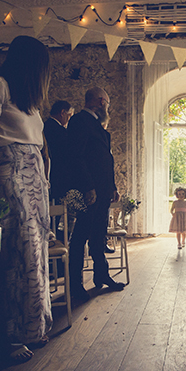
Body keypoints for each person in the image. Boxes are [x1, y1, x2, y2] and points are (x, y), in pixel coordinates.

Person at [0, 36, 53, 363]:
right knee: (16, 254)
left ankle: (31, 327)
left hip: (33, 178)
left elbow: (38, 143)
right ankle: (8, 334)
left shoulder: (28, 101)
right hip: (8, 173)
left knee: (36, 252)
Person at [66, 87, 124, 304]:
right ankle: (75, 285)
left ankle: (101, 274)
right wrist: (88, 187)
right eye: (107, 104)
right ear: (100, 101)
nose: (108, 108)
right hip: (88, 191)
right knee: (80, 237)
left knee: (99, 234)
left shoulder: (97, 126)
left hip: (102, 191)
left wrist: (112, 187)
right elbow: (77, 157)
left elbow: (105, 161)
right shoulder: (80, 121)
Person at [44, 99, 74, 199]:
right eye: (69, 116)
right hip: (59, 175)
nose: (68, 120)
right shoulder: (60, 131)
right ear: (62, 113)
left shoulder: (45, 126)